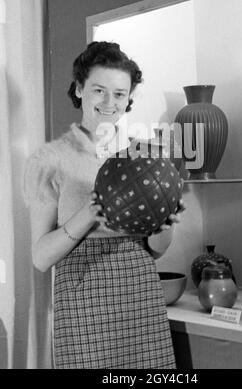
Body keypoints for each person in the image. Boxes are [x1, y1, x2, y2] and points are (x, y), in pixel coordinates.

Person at [23, 41, 185, 369]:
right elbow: (40, 258)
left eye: (120, 94)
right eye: (99, 90)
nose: (109, 102)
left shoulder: (145, 157)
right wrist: (89, 213)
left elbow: (154, 250)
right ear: (79, 89)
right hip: (83, 302)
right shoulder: (49, 160)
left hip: (140, 299)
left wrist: (162, 225)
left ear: (128, 100)